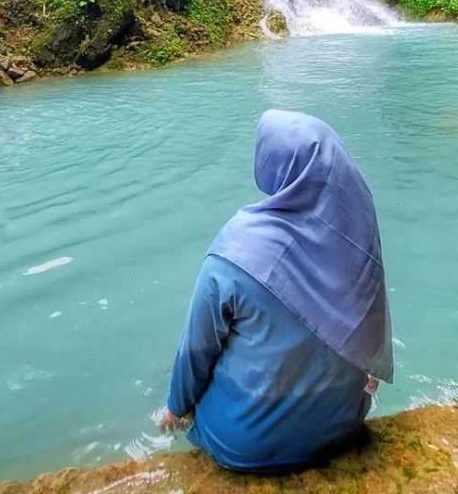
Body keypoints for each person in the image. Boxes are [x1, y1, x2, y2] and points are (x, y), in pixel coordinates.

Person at [161, 108, 393, 472]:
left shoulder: (235, 250)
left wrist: (175, 407)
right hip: (341, 427)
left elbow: (197, 349)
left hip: (246, 446)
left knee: (195, 393)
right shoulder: (355, 235)